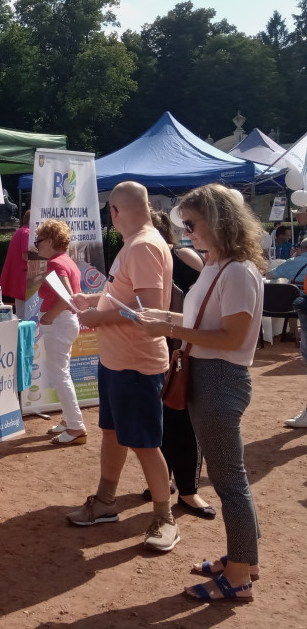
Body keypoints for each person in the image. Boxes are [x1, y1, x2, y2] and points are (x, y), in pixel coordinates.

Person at [135, 183, 264, 601]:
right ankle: (244, 560)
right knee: (230, 479)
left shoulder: (237, 270)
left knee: (230, 483)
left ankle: (239, 576)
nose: (186, 231)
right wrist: (164, 317)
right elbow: (205, 323)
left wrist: (169, 327)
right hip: (208, 376)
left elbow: (232, 337)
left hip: (219, 379)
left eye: (191, 223)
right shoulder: (220, 266)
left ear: (218, 221)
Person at [69, 181, 179, 553]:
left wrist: (100, 317)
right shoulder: (138, 243)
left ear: (115, 212)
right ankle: (105, 502)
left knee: (144, 444)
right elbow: (125, 296)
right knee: (113, 434)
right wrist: (94, 301)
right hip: (118, 360)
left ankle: (165, 518)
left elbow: (149, 312)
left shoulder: (143, 245)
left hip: (135, 362)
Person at [145, 210, 214, 518]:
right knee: (159, 420)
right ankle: (163, 481)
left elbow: (203, 306)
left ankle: (188, 490)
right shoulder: (142, 259)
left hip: (183, 351)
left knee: (183, 420)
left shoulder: (182, 255)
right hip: (154, 351)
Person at [34, 219, 86, 445]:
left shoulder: (55, 263)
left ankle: (75, 426)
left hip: (60, 323)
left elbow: (67, 295)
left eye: (39, 241)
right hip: (65, 322)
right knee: (61, 373)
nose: (37, 246)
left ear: (50, 240)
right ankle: (69, 420)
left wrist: (49, 316)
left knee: (60, 375)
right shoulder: (65, 260)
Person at [0, 210, 31, 316]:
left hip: (19, 278)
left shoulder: (19, 231)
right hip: (25, 279)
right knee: (26, 314)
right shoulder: (27, 233)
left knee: (21, 312)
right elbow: (26, 256)